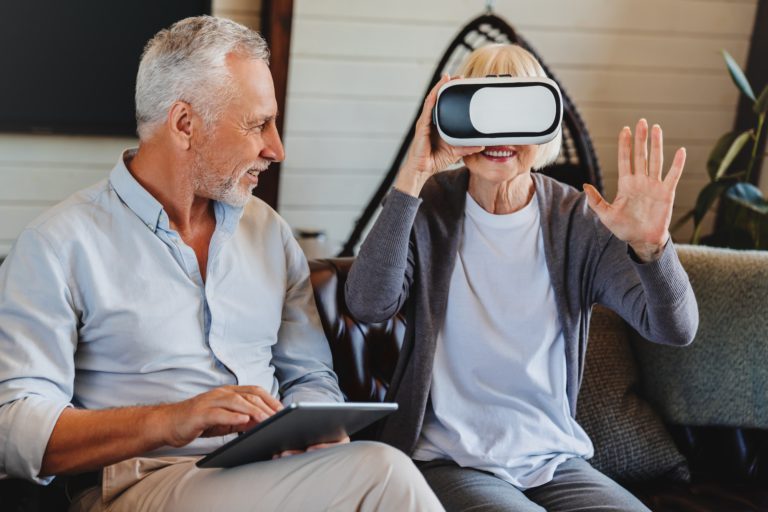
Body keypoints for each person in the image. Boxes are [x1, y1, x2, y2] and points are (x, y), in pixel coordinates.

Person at [0, 16, 444, 512]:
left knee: (363, 467)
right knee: (382, 473)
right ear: (185, 124)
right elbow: (15, 427)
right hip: (141, 482)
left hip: (267, 473)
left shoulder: (269, 233)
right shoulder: (57, 244)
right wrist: (171, 419)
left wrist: (320, 431)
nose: (276, 149)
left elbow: (308, 377)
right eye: (258, 125)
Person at [344, 44, 698, 511]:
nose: (501, 133)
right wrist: (412, 175)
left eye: (519, 110)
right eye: (484, 110)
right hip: (451, 459)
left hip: (554, 460)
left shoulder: (579, 220)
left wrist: (652, 247)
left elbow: (673, 328)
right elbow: (369, 302)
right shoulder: (429, 207)